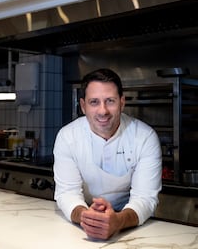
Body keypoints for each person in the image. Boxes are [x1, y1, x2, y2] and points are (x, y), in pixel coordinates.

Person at [53, 68, 162, 240]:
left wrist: (118, 221)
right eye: (94, 102)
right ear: (83, 106)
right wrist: (87, 218)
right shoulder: (67, 137)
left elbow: (145, 197)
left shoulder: (144, 137)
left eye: (110, 101)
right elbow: (67, 193)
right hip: (81, 221)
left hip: (130, 224)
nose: (103, 111)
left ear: (122, 102)